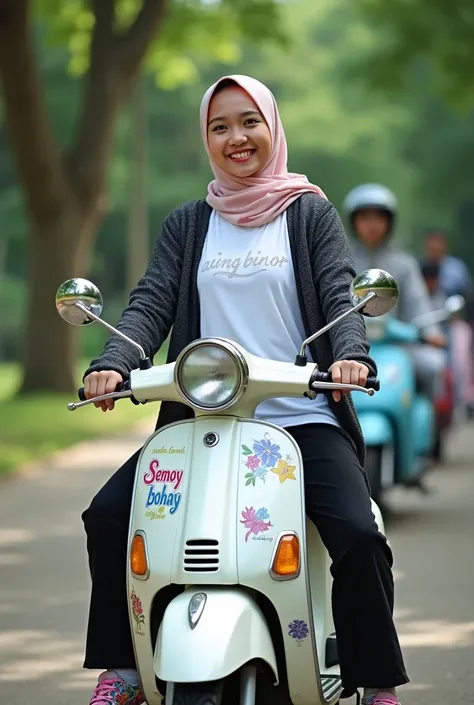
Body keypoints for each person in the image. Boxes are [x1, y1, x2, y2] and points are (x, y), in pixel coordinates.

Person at [81, 76, 408, 705]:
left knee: (361, 535)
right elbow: (150, 304)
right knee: (107, 515)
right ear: (207, 137)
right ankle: (122, 669)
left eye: (249, 121)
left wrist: (350, 358)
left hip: (301, 418)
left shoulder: (309, 212)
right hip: (201, 422)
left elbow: (342, 296)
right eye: (220, 126)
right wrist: (115, 362)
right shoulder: (188, 224)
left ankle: (375, 679)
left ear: (272, 128)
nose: (237, 137)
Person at [344, 183, 447, 400]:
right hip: (348, 345)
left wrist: (430, 332)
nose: (372, 225)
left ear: (389, 222)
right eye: (365, 218)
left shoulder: (404, 264)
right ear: (354, 222)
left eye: (378, 218)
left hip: (397, 344)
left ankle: (431, 430)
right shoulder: (341, 261)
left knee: (431, 366)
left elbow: (417, 303)